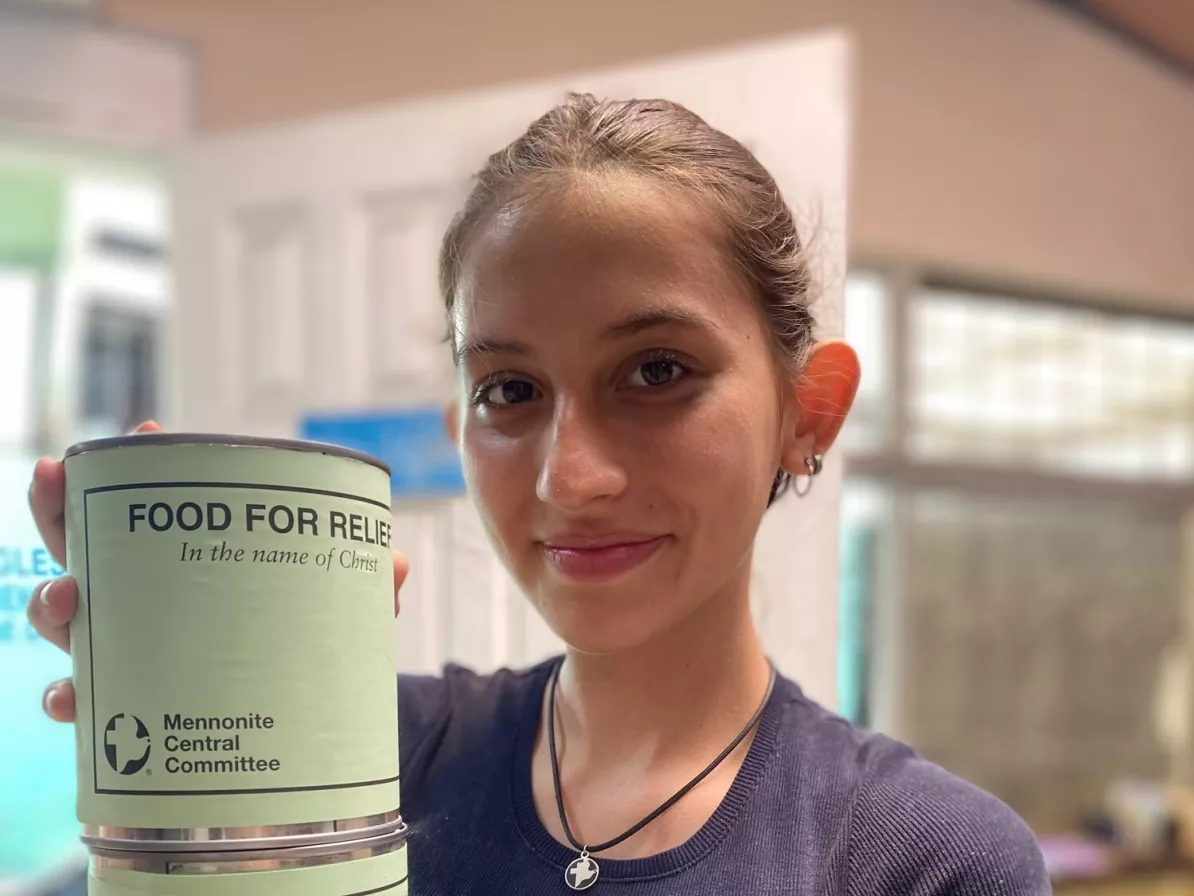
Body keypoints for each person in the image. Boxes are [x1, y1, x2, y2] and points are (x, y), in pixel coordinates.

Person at [27, 94, 1050, 895]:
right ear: (459, 433)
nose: (570, 476)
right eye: (510, 390)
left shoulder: (923, 861)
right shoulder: (362, 769)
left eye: (656, 370)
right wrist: (186, 749)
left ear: (808, 411)